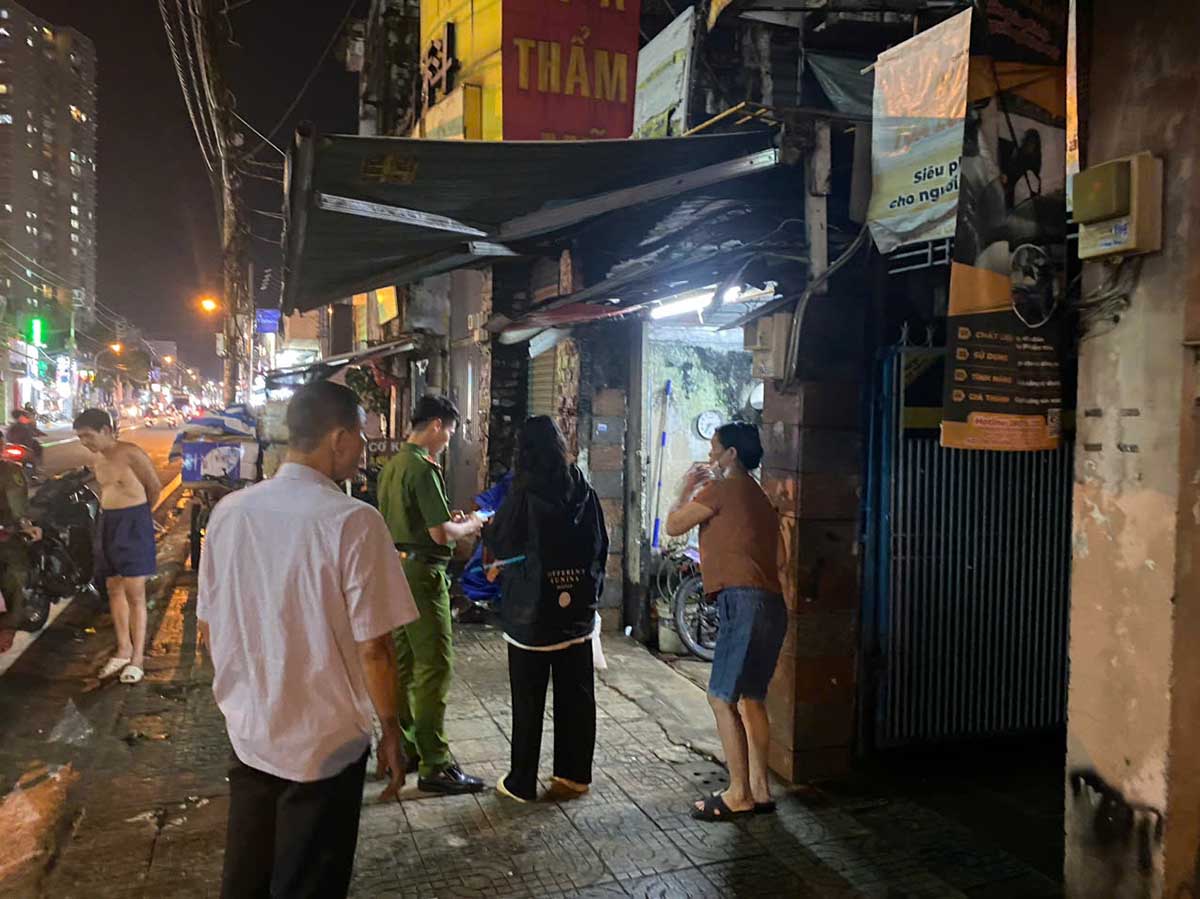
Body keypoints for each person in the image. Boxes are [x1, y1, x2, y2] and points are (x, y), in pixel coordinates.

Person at [197, 381, 419, 899]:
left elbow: (209, 624)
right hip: (324, 746)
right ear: (338, 439)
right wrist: (391, 728)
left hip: (250, 733)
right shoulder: (352, 522)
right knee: (310, 882)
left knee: (247, 874)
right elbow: (375, 648)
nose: (364, 449)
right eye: (361, 437)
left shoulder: (230, 513)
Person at [665, 421, 785, 822]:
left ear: (732, 454)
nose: (711, 454)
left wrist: (685, 488)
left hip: (742, 601)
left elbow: (674, 526)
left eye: (715, 447)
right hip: (772, 604)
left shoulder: (720, 488)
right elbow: (782, 559)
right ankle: (761, 790)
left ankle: (738, 794)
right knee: (752, 698)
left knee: (720, 697)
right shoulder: (762, 498)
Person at [485, 417, 607, 803]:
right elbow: (600, 544)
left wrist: (483, 528)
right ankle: (573, 777)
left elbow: (503, 541)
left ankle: (522, 781)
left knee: (529, 700)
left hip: (531, 617)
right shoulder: (583, 489)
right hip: (576, 615)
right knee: (578, 695)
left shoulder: (524, 493)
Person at [377, 394, 485, 794]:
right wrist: (471, 525)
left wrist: (447, 522)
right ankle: (435, 763)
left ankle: (405, 748)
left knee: (405, 665)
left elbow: (424, 520)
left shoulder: (392, 467)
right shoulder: (423, 467)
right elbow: (440, 533)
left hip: (395, 567)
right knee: (434, 665)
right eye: (451, 433)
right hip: (422, 574)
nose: (450, 441)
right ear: (436, 425)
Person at [74, 408, 161, 685]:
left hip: (133, 522)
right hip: (108, 523)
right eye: (80, 437)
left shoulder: (130, 453)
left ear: (106, 430)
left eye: (88, 436)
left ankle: (137, 657)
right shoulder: (99, 459)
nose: (85, 442)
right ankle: (123, 649)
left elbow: (154, 487)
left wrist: (142, 519)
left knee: (135, 592)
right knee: (113, 587)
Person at [0, 447, 41, 653]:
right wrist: (25, 525)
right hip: (6, 534)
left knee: (14, 574)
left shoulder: (10, 471)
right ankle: (9, 625)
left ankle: (8, 626)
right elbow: (17, 506)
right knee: (15, 576)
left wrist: (23, 524)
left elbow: (17, 506)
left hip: (5, 533)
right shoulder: (10, 471)